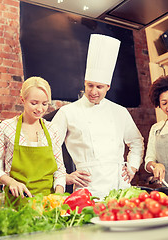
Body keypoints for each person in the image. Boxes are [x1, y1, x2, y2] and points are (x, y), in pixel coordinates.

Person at [51, 34, 144, 198]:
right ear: (84, 83)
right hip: (88, 188)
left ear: (108, 86)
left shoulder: (120, 112)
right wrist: (64, 176)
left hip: (119, 186)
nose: (94, 92)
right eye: (90, 85)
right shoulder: (67, 112)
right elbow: (51, 147)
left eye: (99, 87)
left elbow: (136, 142)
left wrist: (132, 167)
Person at [0, 77, 66, 201]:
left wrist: (58, 196)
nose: (40, 109)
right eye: (34, 103)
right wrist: (10, 182)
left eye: (44, 104)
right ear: (23, 99)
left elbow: (60, 170)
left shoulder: (52, 129)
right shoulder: (7, 127)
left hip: (48, 205)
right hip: (17, 203)